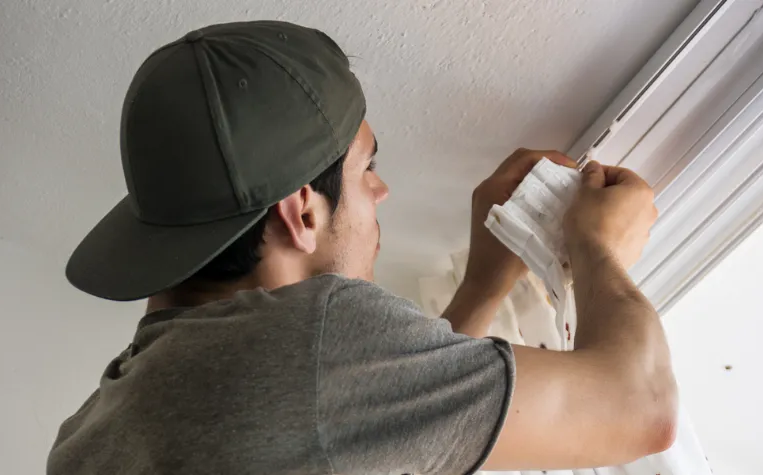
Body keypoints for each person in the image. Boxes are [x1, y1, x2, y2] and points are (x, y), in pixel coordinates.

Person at [48, 20, 678, 475]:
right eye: (364, 169)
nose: (381, 191)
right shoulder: (309, 344)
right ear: (301, 210)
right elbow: (641, 408)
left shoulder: (95, 431)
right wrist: (599, 249)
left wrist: (483, 286)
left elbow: (376, 436)